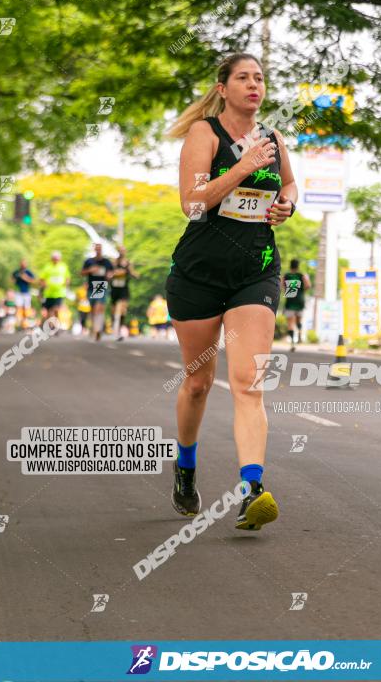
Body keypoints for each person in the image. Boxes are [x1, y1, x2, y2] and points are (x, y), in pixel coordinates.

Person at [165, 53, 298, 531]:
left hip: (254, 273)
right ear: (223, 87)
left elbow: (288, 183)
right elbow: (192, 204)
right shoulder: (206, 134)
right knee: (199, 383)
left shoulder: (273, 137)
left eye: (259, 77)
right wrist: (242, 168)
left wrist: (287, 205)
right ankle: (185, 467)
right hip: (199, 275)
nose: (253, 84)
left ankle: (252, 490)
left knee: (249, 381)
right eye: (243, 77)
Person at [82, 242, 114, 341]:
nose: (98, 250)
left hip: (100, 286)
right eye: (97, 248)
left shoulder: (106, 262)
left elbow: (111, 271)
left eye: (100, 248)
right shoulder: (89, 261)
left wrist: (109, 275)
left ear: (102, 250)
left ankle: (97, 329)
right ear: (94, 250)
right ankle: (95, 327)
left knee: (99, 308)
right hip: (91, 286)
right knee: (93, 309)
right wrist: (90, 270)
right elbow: (82, 272)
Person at [283, 258, 312, 351]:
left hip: (290, 301)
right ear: (298, 266)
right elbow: (308, 285)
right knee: (299, 321)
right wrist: (302, 290)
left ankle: (292, 343)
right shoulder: (301, 275)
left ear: (290, 266)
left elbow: (281, 286)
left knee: (290, 323)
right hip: (300, 301)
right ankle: (299, 334)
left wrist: (288, 290)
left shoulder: (286, 275)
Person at [111, 246, 139, 340]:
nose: (122, 252)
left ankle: (120, 330)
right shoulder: (114, 262)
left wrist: (135, 274)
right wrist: (115, 273)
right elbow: (109, 273)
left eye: (123, 251)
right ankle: (114, 327)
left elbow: (133, 273)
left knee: (123, 309)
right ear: (118, 251)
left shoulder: (127, 263)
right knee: (114, 310)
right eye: (120, 250)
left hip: (124, 288)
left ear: (125, 252)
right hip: (115, 288)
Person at [39, 251, 70, 324]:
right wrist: (44, 285)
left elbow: (67, 278)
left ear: (60, 259)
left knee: (56, 309)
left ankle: (55, 325)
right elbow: (41, 279)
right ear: (52, 258)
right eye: (54, 258)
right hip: (49, 293)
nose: (56, 260)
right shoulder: (47, 267)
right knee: (49, 310)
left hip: (59, 293)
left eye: (57, 258)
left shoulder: (63, 266)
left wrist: (66, 284)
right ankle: (51, 325)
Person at [12, 259, 37, 328]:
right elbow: (12, 280)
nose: (23, 265)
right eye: (22, 263)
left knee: (27, 308)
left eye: (24, 263)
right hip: (18, 292)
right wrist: (15, 280)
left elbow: (33, 281)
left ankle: (28, 324)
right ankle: (19, 324)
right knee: (18, 307)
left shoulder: (28, 272)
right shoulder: (16, 272)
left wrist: (25, 278)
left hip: (26, 292)